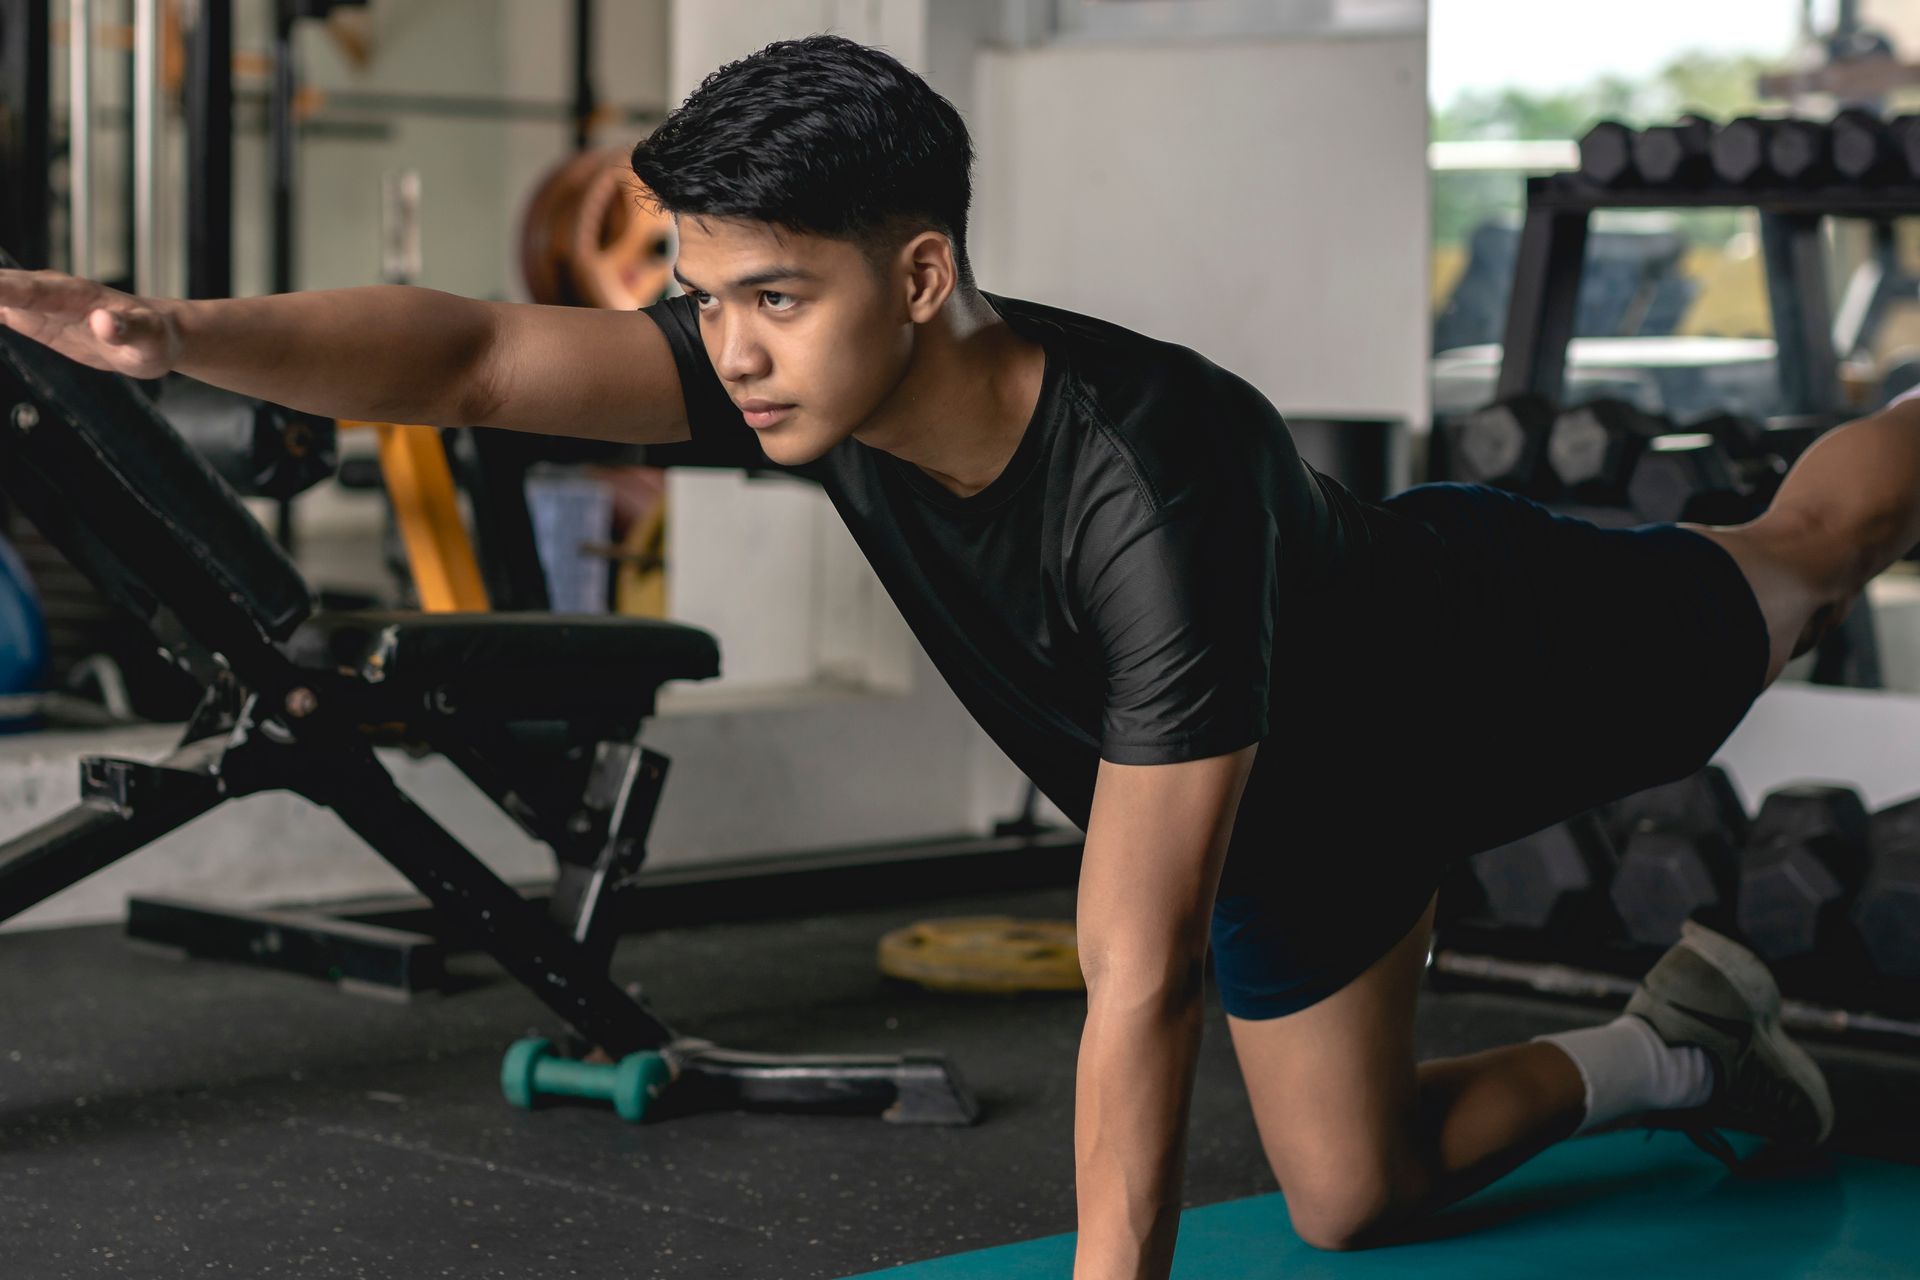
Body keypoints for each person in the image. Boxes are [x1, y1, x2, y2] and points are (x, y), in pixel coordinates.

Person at [0, 31, 1888, 1279]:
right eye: (701, 296)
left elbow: (1134, 969)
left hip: (1477, 660)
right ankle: (1683, 1049)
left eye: (771, 298)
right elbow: (476, 359)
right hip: (1299, 817)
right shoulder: (802, 371)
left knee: (1809, 548)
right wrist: (178, 332)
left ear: (918, 277)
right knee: (1350, 1199)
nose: (726, 348)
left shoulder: (1153, 485)